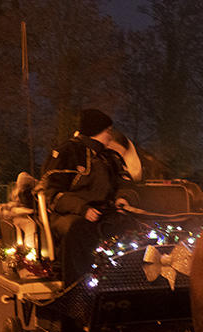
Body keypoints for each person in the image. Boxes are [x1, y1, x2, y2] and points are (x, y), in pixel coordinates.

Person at [39, 108, 135, 285]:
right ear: (96, 130)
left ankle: (122, 283)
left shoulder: (110, 157)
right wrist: (83, 209)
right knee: (80, 229)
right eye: (108, 131)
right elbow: (54, 194)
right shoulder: (67, 152)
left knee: (130, 225)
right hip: (70, 215)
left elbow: (125, 183)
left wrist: (123, 198)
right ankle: (78, 290)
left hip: (104, 212)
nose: (110, 136)